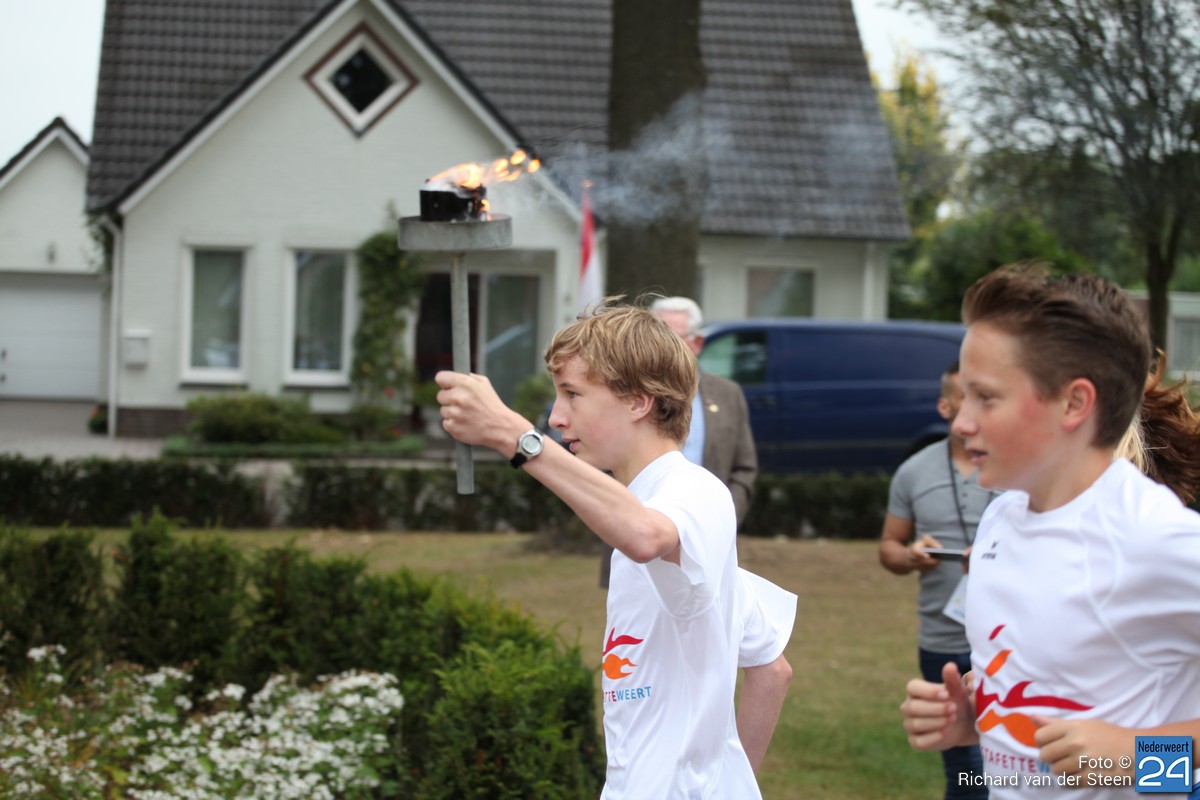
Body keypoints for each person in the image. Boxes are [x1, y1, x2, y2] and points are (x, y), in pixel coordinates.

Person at [436, 300, 791, 798]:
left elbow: (645, 536)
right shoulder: (657, 507)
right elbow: (771, 669)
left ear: (637, 401)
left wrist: (514, 437)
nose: (557, 417)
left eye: (573, 394)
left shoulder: (694, 491)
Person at [899, 264, 1200, 798]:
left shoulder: (1155, 539)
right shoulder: (1000, 520)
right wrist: (977, 721)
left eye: (986, 397)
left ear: (1074, 403)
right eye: (963, 397)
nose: (961, 423)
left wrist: (1138, 755)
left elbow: (1133, 763)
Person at [880, 360, 994, 799]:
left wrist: (1122, 761)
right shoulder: (915, 471)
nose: (973, 419)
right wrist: (910, 556)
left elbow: (1170, 763)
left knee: (1005, 769)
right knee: (971, 770)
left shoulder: (1170, 545)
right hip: (946, 638)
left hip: (1001, 642)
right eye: (969, 399)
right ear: (945, 407)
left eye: (989, 399)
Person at [599, 295, 758, 589]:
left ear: (696, 343)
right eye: (656, 337)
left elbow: (743, 468)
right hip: (638, 537)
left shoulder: (727, 394)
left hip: (708, 540)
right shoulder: (623, 395)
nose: (664, 347)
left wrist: (720, 517)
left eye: (674, 337)